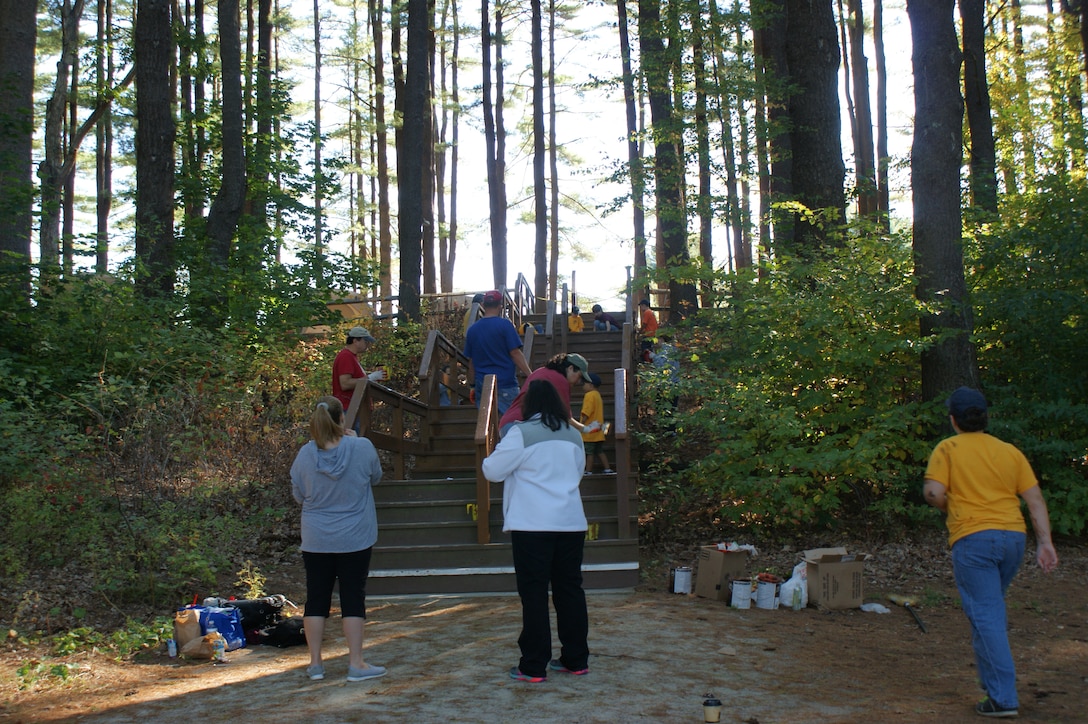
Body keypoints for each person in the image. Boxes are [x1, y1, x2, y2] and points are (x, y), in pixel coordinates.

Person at [923, 387, 1058, 719]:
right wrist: (1045, 543)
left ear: (953, 419)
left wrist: (947, 505)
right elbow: (1035, 500)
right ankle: (992, 687)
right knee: (987, 610)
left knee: (985, 615)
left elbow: (932, 492)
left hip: (974, 540)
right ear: (985, 417)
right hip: (1013, 538)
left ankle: (1003, 698)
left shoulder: (948, 448)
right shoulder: (1009, 452)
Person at [482, 380, 590, 683]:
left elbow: (492, 471)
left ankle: (533, 665)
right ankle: (576, 658)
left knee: (534, 594)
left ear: (527, 404)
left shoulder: (520, 433)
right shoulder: (574, 435)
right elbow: (578, 472)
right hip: (570, 523)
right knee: (570, 591)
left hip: (532, 524)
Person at [290, 396, 387, 683]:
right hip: (355, 535)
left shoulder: (305, 455)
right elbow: (376, 477)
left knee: (316, 598)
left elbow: (298, 494)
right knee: (352, 597)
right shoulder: (361, 447)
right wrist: (356, 442)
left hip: (316, 537)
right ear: (342, 420)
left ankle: (316, 664)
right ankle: (356, 663)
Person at [463, 290, 533, 415]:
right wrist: (530, 375)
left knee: (487, 423)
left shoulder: (472, 330)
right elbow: (515, 353)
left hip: (482, 384)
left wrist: (472, 385)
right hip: (505, 382)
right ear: (500, 306)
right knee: (512, 421)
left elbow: (471, 362)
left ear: (483, 305)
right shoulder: (505, 325)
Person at [498, 352, 592, 435]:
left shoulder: (541, 371)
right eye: (579, 376)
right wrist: (586, 429)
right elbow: (565, 418)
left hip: (508, 423)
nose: (579, 382)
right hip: (522, 426)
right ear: (570, 368)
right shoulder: (560, 380)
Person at [332, 326, 385, 413]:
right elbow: (345, 384)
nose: (368, 344)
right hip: (349, 408)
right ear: (355, 341)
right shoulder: (346, 356)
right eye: (365, 341)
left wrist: (373, 378)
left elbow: (356, 379)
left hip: (354, 408)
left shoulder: (351, 356)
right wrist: (371, 377)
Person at [579, 372, 612, 475]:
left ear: (590, 385)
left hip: (589, 430)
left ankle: (588, 470)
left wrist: (581, 424)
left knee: (589, 452)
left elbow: (586, 412)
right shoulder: (597, 395)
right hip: (598, 430)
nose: (583, 386)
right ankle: (607, 468)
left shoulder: (589, 395)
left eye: (584, 384)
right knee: (599, 451)